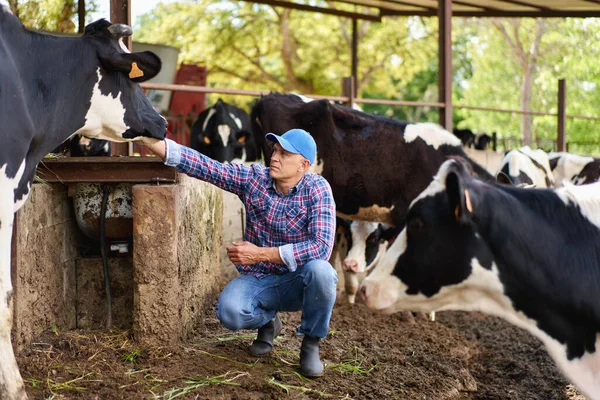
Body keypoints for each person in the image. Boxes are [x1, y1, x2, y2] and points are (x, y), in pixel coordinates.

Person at [144, 128, 337, 378]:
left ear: (304, 165)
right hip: (260, 281)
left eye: (284, 153)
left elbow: (321, 246)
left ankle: (310, 343)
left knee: (322, 272)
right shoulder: (255, 178)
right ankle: (268, 322)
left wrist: (261, 254)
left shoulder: (318, 189)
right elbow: (208, 167)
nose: (274, 157)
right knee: (230, 312)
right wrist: (151, 141)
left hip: (298, 281)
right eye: (275, 150)